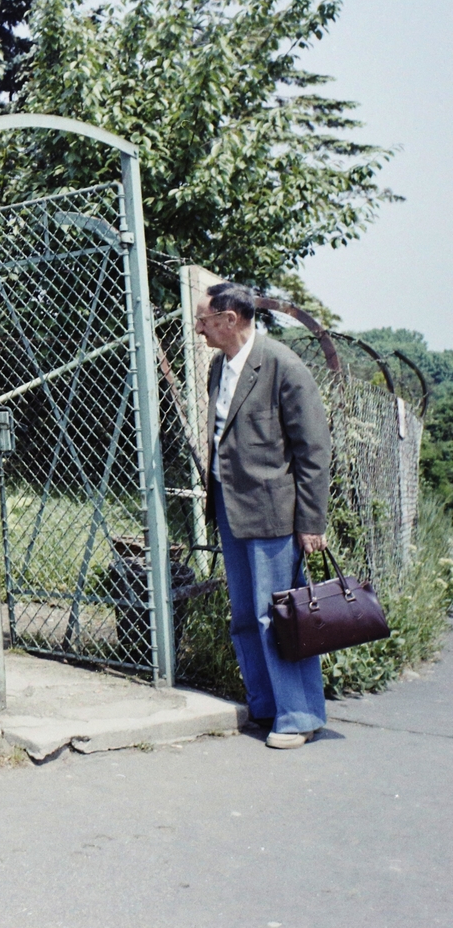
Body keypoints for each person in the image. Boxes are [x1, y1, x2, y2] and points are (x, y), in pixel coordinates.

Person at [195, 282, 331, 749]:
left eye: (204, 320)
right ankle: (266, 707)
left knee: (280, 617)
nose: (199, 329)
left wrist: (311, 522)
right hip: (231, 507)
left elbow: (313, 450)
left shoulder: (283, 366)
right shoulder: (220, 365)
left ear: (230, 320)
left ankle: (300, 715)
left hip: (274, 513)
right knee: (245, 618)